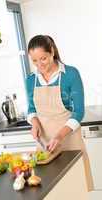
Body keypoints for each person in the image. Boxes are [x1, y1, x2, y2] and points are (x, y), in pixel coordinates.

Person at [26, 35, 93, 191]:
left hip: (69, 141)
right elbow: (31, 109)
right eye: (34, 61)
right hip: (44, 146)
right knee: (49, 191)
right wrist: (34, 123)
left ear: (52, 52)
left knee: (75, 189)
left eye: (43, 59)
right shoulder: (30, 80)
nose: (39, 65)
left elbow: (78, 112)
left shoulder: (70, 74)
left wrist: (59, 136)